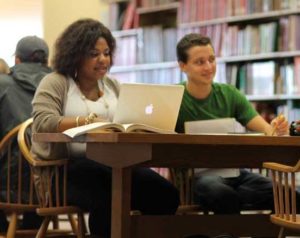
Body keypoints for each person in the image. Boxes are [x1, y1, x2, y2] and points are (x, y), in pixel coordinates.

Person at [30, 18, 179, 238]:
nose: (103, 60)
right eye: (94, 54)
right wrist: (88, 122)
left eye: (107, 53)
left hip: (113, 165)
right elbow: (43, 123)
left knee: (165, 194)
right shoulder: (56, 82)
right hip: (62, 171)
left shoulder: (112, 86)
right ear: (75, 54)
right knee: (111, 192)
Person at [175, 33, 290, 214]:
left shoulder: (229, 94)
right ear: (183, 66)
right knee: (220, 193)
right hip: (195, 177)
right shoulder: (173, 97)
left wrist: (276, 127)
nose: (209, 67)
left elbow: (267, 130)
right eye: (200, 62)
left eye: (212, 59)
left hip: (234, 174)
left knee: (288, 194)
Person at [0, 36, 52, 230]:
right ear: (46, 61)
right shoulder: (62, 84)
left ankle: (4, 228)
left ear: (17, 60)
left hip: (10, 182)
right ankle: (34, 224)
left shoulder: (2, 84)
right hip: (56, 182)